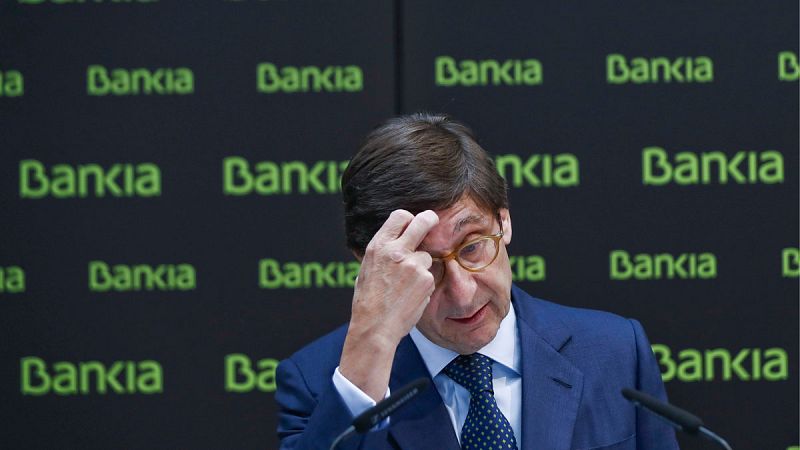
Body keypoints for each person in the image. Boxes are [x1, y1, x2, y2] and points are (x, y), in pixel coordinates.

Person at [275, 113, 678, 450]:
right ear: (370, 266)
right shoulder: (319, 383)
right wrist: (368, 360)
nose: (462, 294)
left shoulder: (615, 351)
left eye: (471, 248)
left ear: (504, 220)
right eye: (427, 265)